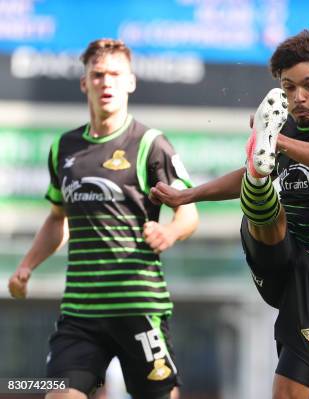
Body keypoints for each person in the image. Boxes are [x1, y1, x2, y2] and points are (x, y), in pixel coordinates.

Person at [150, 29, 309, 398]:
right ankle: (260, 185)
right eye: (288, 89)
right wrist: (188, 195)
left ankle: (260, 181)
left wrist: (277, 142)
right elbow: (244, 171)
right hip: (280, 249)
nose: (298, 98)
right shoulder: (284, 127)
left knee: (288, 391)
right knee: (259, 199)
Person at [7, 39, 198, 399]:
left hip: (140, 308)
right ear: (84, 83)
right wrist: (27, 265)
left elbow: (188, 212)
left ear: (131, 82)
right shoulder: (63, 148)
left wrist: (169, 233)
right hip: (80, 313)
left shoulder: (150, 144)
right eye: (97, 75)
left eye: (114, 74)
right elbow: (56, 219)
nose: (105, 82)